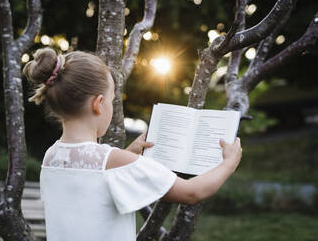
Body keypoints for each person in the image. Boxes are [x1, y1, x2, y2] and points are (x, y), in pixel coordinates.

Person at [23, 47, 242, 241]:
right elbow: (191, 192)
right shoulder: (115, 161)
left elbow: (94, 181)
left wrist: (130, 153)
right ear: (99, 104)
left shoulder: (51, 157)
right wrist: (228, 164)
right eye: (110, 100)